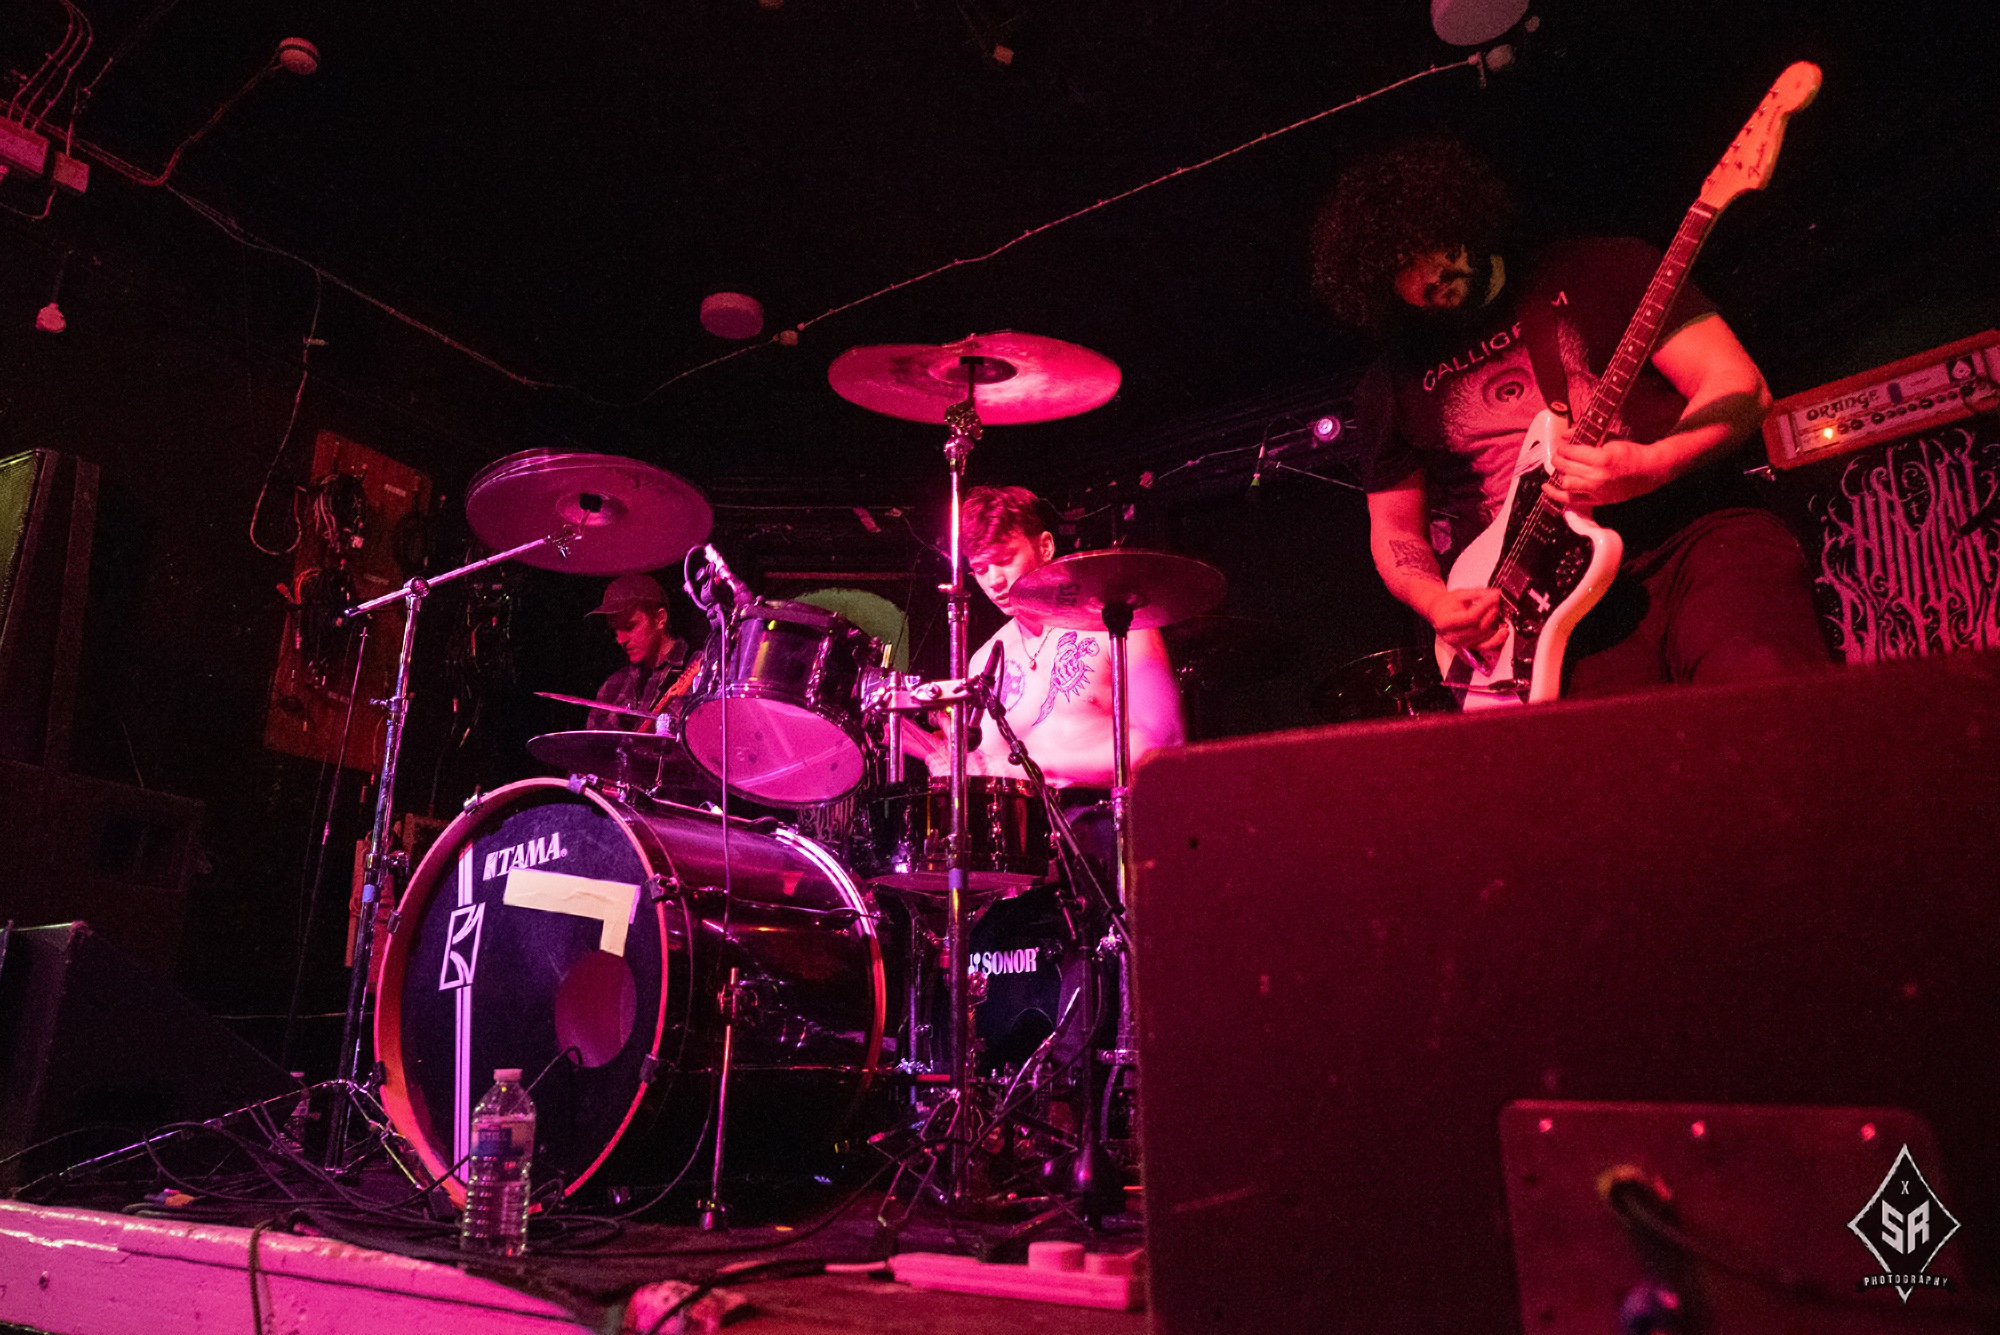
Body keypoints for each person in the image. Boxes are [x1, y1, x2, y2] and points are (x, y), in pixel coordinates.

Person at [1310, 137, 1829, 697]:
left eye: (1426, 247)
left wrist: (1653, 464)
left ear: (1456, 216)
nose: (1425, 276)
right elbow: (1395, 529)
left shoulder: (1601, 268)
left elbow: (1740, 386)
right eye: (1399, 269)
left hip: (1695, 536)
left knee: (1760, 685)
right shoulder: (1389, 383)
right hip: (1542, 606)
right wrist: (1436, 602)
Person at [904, 486, 1185, 787]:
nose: (994, 580)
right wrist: (947, 759)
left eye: (1005, 558)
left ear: (1046, 547)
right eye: (981, 569)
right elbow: (988, 769)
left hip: (1109, 811)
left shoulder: (1116, 623)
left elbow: (1164, 743)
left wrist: (1033, 768)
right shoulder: (983, 663)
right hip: (1022, 817)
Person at [583, 573, 701, 732]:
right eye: (616, 630)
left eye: (629, 627)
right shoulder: (612, 687)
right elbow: (591, 745)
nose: (620, 639)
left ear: (660, 619)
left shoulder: (701, 667)